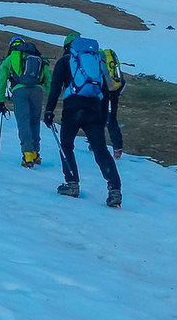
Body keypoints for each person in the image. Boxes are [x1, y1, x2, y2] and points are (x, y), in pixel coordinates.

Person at [44, 31, 121, 207]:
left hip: (72, 110)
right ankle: (114, 189)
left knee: (66, 146)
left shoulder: (65, 62)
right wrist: (102, 118)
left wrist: (49, 111)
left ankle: (72, 184)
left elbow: (55, 87)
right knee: (100, 149)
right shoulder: (95, 63)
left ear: (67, 47)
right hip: (94, 109)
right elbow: (105, 92)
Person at [0, 37, 51, 167]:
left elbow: (2, 80)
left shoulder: (10, 59)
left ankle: (27, 155)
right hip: (37, 91)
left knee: (23, 122)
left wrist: (1, 100)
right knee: (34, 121)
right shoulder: (37, 57)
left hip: (19, 91)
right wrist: (51, 98)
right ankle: (36, 153)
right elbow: (47, 78)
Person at [100, 48, 125, 158]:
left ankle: (96, 143)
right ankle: (117, 148)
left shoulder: (98, 58)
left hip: (105, 93)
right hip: (114, 92)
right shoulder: (110, 58)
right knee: (111, 118)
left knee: (103, 119)